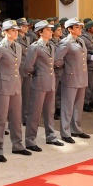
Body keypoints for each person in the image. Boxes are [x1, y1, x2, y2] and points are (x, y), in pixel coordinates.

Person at [0, 20, 31, 162]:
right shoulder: (0, 47)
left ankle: (17, 145)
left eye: (16, 30)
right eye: (12, 30)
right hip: (3, 87)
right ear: (5, 32)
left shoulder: (17, 46)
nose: (16, 32)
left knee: (16, 117)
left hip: (16, 85)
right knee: (1, 118)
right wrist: (0, 77)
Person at [24, 20, 62, 149]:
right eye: (48, 30)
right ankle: (30, 140)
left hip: (50, 81)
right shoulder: (35, 47)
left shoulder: (51, 45)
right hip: (39, 82)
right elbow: (28, 66)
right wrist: (38, 73)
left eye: (51, 29)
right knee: (35, 112)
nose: (51, 32)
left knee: (50, 111)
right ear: (40, 32)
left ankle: (51, 136)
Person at [55, 18, 90, 143]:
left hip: (81, 76)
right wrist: (67, 66)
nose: (80, 29)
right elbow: (57, 60)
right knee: (67, 106)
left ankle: (76, 129)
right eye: (77, 27)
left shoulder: (81, 41)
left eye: (80, 27)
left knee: (78, 105)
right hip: (70, 77)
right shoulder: (66, 42)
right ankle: (65, 132)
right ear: (69, 29)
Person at [81, 20, 93, 112]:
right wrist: (89, 57)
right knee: (89, 84)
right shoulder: (83, 38)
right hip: (90, 64)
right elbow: (81, 52)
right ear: (89, 28)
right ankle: (85, 102)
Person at [15, 18, 32, 124]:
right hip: (18, 69)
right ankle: (16, 118)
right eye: (24, 26)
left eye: (27, 26)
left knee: (26, 95)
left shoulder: (28, 39)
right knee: (17, 96)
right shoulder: (15, 39)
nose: (26, 27)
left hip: (27, 69)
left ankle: (25, 117)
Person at [51, 25, 64, 119]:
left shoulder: (62, 41)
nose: (60, 31)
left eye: (61, 30)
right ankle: (53, 110)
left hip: (62, 70)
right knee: (53, 92)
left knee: (60, 91)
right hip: (55, 69)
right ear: (53, 32)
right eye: (58, 30)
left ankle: (59, 108)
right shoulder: (51, 43)